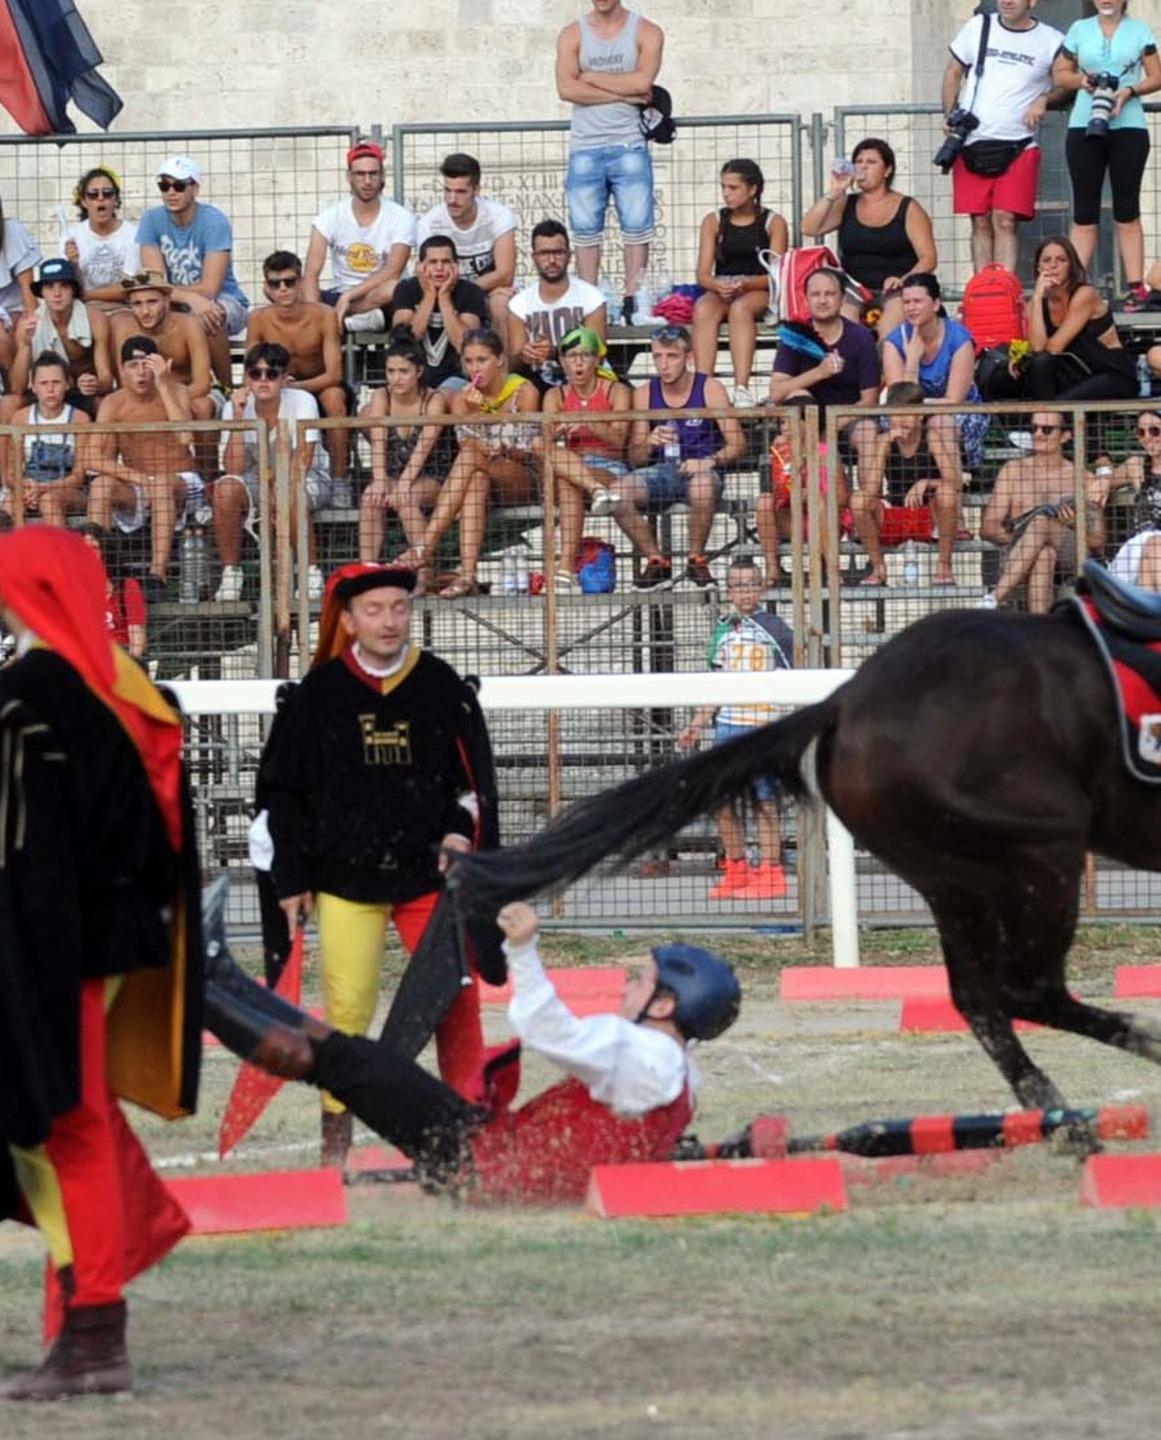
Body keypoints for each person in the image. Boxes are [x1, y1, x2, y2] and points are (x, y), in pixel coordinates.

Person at [0, 526, 202, 1401]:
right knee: (70, 1116)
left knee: (63, 1121)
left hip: (42, 946)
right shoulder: (128, 692)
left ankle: (94, 1330)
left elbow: (21, 854)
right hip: (115, 938)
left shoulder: (23, 701)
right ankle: (93, 1298)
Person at [207, 898, 741, 1207]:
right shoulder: (677, 1072)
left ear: (666, 1004)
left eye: (640, 981)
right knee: (348, 1058)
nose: (627, 986)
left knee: (341, 1063)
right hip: (482, 1148)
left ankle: (200, 992)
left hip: (478, 1163)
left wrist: (524, 950)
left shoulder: (647, 1056)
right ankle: (220, 976)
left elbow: (546, 1029)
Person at [262, 561, 500, 1169]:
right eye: (374, 610)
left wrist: (458, 835)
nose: (389, 621)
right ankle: (334, 1148)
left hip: (429, 877)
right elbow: (280, 794)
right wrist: (290, 876)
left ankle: (469, 1133)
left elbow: (471, 786)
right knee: (346, 1014)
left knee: (455, 1001)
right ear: (348, 621)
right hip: (346, 880)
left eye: (398, 608)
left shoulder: (441, 686)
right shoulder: (317, 695)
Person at [677, 556, 793, 901]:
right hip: (727, 727)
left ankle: (771, 873)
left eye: (750, 584)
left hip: (761, 727)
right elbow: (716, 683)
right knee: (721, 802)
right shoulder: (723, 630)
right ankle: (737, 868)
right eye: (737, 586)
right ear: (728, 591)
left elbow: (796, 672)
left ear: (761, 587)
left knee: (763, 801)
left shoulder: (775, 628)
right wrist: (697, 724)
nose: (744, 592)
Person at [407, 328, 540, 599]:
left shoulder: (524, 391)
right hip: (482, 476)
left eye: (482, 360)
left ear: (500, 360)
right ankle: (468, 575)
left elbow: (521, 446)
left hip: (520, 475)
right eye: (468, 361)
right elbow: (469, 444)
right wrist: (471, 412)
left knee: (469, 457)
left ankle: (425, 546)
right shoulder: (460, 399)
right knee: (476, 479)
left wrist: (481, 414)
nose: (474, 368)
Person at [556, 0, 665, 320]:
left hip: (629, 141)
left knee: (637, 225)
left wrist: (588, 76)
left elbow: (642, 83)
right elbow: (566, 88)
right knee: (586, 229)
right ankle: (589, 300)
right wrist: (623, 94)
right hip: (585, 145)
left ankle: (634, 300)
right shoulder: (571, 34)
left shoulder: (646, 31)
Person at [213, 342, 345, 603]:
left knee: (290, 490)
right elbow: (233, 468)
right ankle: (231, 573)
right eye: (255, 373)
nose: (263, 380)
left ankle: (310, 572)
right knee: (225, 488)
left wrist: (275, 490)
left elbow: (304, 459)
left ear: (285, 379)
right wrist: (239, 418)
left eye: (271, 374)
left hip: (308, 478)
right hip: (257, 480)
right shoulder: (234, 406)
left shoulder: (303, 401)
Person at [616, 323, 744, 589]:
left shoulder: (710, 388)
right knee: (616, 492)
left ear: (688, 358)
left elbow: (738, 444)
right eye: (658, 357)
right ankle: (655, 560)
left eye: (672, 356)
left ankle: (696, 559)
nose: (664, 365)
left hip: (703, 469)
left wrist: (708, 461)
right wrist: (649, 442)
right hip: (664, 470)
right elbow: (635, 457)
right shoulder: (644, 393)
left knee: (703, 484)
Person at [942, 0, 1064, 272]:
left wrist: (1045, 98)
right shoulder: (978, 26)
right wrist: (949, 113)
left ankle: (1005, 288)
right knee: (980, 220)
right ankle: (984, 290)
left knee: (1006, 219)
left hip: (1019, 143)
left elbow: (1067, 84)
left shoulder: (1052, 40)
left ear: (1032, 2)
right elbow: (953, 71)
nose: (1006, 1)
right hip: (972, 140)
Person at [882, 273, 989, 585]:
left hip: (959, 415)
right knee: (894, 425)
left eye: (918, 301)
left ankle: (952, 509)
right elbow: (899, 402)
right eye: (906, 302)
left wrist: (919, 400)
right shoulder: (895, 342)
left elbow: (954, 400)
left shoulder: (959, 338)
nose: (911, 308)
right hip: (915, 417)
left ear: (936, 303)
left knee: (941, 421)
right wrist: (912, 362)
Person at [1053, 0, 1161, 308]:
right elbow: (1061, 73)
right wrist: (1083, 82)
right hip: (1084, 125)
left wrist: (1130, 91)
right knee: (1084, 212)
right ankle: (1075, 286)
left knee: (1127, 209)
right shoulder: (1079, 29)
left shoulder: (1139, 30)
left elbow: (1157, 75)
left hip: (1128, 125)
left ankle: (1135, 287)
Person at [87, 335, 203, 603]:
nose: (140, 372)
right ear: (123, 370)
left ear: (159, 364)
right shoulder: (113, 403)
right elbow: (92, 457)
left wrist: (163, 383)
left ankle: (156, 576)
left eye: (146, 364)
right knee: (100, 485)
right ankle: (99, 572)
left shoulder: (178, 391)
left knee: (162, 484)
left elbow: (185, 438)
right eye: (133, 365)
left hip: (182, 481)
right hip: (138, 482)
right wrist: (141, 479)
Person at [801, 138, 937, 339]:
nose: (863, 166)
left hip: (896, 287)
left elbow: (929, 258)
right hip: (855, 287)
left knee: (889, 330)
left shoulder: (908, 207)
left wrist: (903, 279)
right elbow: (809, 228)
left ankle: (886, 370)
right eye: (859, 161)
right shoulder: (847, 203)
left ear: (887, 170)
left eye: (871, 162)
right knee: (845, 328)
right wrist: (834, 192)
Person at [1019, 236, 1137, 464]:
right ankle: (1096, 461)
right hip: (1078, 375)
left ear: (1071, 265)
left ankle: (1041, 431)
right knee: (1040, 367)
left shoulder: (1085, 295)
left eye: (1060, 260)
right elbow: (1038, 349)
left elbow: (1055, 346)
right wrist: (1036, 298)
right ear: (1038, 267)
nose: (1052, 266)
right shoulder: (1038, 301)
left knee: (1062, 406)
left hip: (1113, 374)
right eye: (1047, 260)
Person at [136, 155, 250, 386]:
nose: (171, 192)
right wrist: (187, 297)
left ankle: (226, 388)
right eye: (164, 185)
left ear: (195, 188)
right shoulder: (151, 219)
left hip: (224, 298)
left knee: (211, 315)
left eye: (179, 185)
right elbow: (155, 282)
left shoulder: (213, 220)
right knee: (135, 317)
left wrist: (189, 298)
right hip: (175, 300)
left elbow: (210, 288)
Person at [977, 409, 1103, 612]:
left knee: (1040, 523)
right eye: (1033, 428)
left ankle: (993, 598)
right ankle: (1041, 629)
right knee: (1044, 555)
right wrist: (1028, 545)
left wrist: (1073, 525)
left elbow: (1098, 540)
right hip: (1021, 555)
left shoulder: (1084, 477)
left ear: (1065, 436)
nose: (1038, 435)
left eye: (1047, 429)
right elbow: (989, 528)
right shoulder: (1013, 470)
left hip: (1074, 555)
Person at [245, 250, 348, 483]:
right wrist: (274, 386)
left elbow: (334, 374)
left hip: (317, 382)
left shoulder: (324, 315)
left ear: (300, 282)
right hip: (275, 383)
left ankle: (340, 479)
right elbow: (250, 368)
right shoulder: (257, 319)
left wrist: (295, 386)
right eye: (276, 283)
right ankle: (259, 476)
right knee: (245, 400)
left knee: (334, 399)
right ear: (267, 287)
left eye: (289, 282)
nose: (283, 288)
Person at [691, 159, 789, 403]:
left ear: (753, 189)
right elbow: (703, 274)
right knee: (703, 308)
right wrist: (717, 286)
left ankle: (741, 387)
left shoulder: (773, 222)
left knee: (740, 309)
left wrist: (746, 284)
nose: (726, 194)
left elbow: (776, 274)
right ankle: (703, 386)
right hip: (724, 287)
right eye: (723, 187)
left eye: (733, 188)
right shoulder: (713, 221)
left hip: (758, 288)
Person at [541, 325, 631, 588]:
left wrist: (586, 420)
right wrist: (557, 430)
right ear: (562, 361)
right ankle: (594, 490)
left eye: (586, 355)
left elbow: (619, 441)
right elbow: (547, 442)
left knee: (568, 481)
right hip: (569, 466)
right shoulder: (554, 395)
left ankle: (566, 566)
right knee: (563, 473)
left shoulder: (616, 391)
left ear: (597, 359)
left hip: (607, 466)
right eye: (572, 356)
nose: (578, 362)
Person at [360, 333, 454, 578]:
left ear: (419, 371)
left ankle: (424, 571)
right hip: (394, 471)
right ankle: (366, 571)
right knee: (371, 496)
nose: (396, 378)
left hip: (433, 473)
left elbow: (424, 447)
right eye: (391, 371)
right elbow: (378, 440)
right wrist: (380, 479)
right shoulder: (382, 396)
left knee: (407, 498)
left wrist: (402, 485)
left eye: (403, 371)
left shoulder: (434, 399)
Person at [112, 269, 217, 479]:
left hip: (190, 393)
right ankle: (136, 478)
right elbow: (124, 380)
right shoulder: (124, 328)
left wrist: (173, 397)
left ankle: (208, 480)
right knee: (123, 409)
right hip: (145, 395)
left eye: (152, 302)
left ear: (167, 301)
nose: (145, 311)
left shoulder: (188, 325)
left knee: (202, 407)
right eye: (137, 304)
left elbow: (203, 383)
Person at [305, 140, 416, 332]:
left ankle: (343, 318)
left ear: (382, 176)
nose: (367, 181)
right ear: (349, 177)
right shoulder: (329, 217)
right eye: (360, 174)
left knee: (395, 287)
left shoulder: (401, 217)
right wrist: (316, 312)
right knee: (290, 288)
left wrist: (348, 298)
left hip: (379, 297)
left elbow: (392, 271)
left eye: (373, 174)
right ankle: (333, 321)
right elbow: (311, 273)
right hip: (339, 291)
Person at [848, 381, 943, 588]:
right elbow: (871, 490)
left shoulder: (932, 437)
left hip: (928, 513)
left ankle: (944, 568)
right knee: (858, 499)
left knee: (947, 494)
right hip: (895, 513)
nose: (901, 419)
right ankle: (878, 568)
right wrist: (882, 446)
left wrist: (925, 483)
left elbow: (954, 480)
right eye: (896, 413)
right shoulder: (885, 440)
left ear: (920, 416)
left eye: (907, 413)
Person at [415, 153, 518, 336]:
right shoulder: (430, 223)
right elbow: (426, 273)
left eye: (461, 192)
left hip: (486, 293)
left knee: (501, 304)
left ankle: (503, 365)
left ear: (476, 190)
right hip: (445, 293)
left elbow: (505, 274)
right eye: (447, 190)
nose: (452, 200)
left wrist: (466, 291)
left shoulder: (499, 216)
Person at [0, 257, 113, 421]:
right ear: (42, 292)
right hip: (44, 393)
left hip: (82, 394)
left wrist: (94, 384)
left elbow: (107, 380)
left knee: (106, 404)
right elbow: (17, 389)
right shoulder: (30, 323)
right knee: (10, 403)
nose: (57, 293)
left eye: (64, 286)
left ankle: (99, 447)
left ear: (73, 290)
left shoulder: (94, 319)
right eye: (49, 286)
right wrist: (25, 344)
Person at [508, 220, 607, 393]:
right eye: (544, 253)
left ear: (569, 255)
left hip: (585, 378)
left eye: (558, 253)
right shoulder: (519, 303)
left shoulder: (591, 297)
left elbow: (598, 353)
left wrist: (554, 352)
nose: (552, 260)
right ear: (534, 257)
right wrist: (526, 354)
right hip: (537, 381)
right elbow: (514, 361)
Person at [0, 351, 92, 527]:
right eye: (44, 383)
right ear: (33, 386)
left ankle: (60, 553)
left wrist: (43, 488)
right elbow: (12, 472)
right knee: (12, 502)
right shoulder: (21, 418)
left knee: (49, 501)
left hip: (68, 491)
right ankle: (11, 553)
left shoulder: (80, 419)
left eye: (56, 382)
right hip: (29, 486)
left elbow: (78, 476)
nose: (50, 389)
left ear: (67, 384)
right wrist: (25, 486)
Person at [390, 234, 488, 391]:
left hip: (457, 378)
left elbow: (464, 345)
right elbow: (406, 343)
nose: (439, 268)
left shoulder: (471, 292)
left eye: (446, 262)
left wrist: (444, 298)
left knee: (440, 400)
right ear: (421, 266)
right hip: (412, 378)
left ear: (456, 266)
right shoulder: (406, 289)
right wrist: (429, 296)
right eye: (433, 262)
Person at [62, 166, 140, 309]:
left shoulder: (133, 234)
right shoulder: (71, 236)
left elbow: (127, 289)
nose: (100, 198)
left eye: (107, 193)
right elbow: (67, 287)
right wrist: (73, 265)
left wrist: (85, 294)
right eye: (93, 194)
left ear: (116, 200)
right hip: (83, 309)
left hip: (123, 308)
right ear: (84, 201)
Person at [1106, 409, 1161, 589]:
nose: (1147, 438)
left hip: (1151, 555)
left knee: (1153, 554)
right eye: (1141, 432)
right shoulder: (1136, 465)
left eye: (1154, 431)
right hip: (1139, 549)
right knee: (1153, 547)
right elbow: (1102, 481)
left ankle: (1150, 615)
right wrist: (1101, 482)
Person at [77, 521, 147, 660]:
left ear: (105, 553)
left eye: (94, 548)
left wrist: (129, 667)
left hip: (120, 660)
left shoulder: (126, 586)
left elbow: (137, 637)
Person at [0, 196, 41, 375]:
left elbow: (28, 289)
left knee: (25, 331)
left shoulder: (12, 231)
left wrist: (33, 322)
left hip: (16, 308)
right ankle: (11, 390)